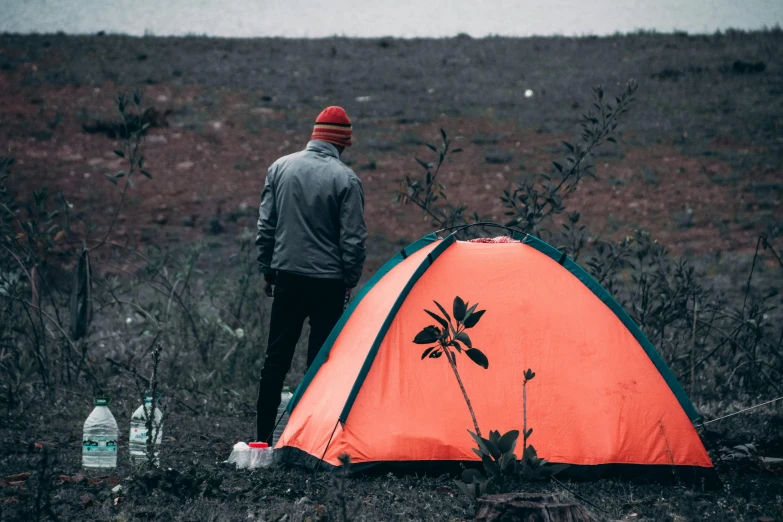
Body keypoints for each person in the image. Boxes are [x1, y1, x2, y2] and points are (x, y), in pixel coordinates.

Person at [255, 106, 367, 444]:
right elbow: (353, 239)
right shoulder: (346, 179)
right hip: (328, 285)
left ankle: (262, 438)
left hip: (287, 276)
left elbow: (266, 226)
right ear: (342, 142)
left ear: (315, 134)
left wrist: (268, 269)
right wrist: (350, 279)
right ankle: (310, 440)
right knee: (320, 364)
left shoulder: (280, 168)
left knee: (275, 360)